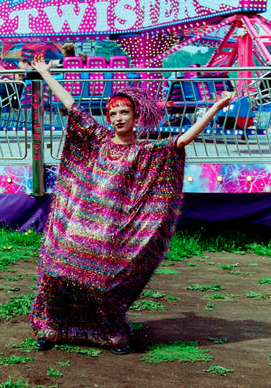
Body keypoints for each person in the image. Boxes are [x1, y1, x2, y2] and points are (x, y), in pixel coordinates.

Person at [28, 55, 234, 355]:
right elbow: (72, 106)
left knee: (106, 283)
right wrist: (45, 74)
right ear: (108, 118)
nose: (119, 118)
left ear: (135, 116)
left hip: (112, 231)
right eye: (114, 113)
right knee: (55, 272)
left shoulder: (145, 151)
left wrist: (215, 108)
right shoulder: (97, 139)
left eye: (125, 112)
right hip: (79, 224)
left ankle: (111, 333)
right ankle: (50, 327)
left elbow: (182, 140)